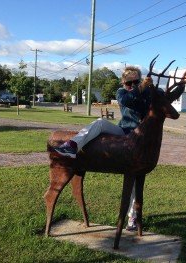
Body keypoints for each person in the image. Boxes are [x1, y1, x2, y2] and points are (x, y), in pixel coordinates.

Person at [54, 65, 153, 231]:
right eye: (130, 83)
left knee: (135, 180)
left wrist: (182, 84)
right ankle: (72, 145)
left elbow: (159, 101)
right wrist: (141, 87)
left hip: (139, 138)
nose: (133, 85)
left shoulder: (146, 93)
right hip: (123, 131)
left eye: (136, 82)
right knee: (99, 122)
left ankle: (131, 218)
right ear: (123, 83)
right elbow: (126, 101)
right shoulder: (121, 92)